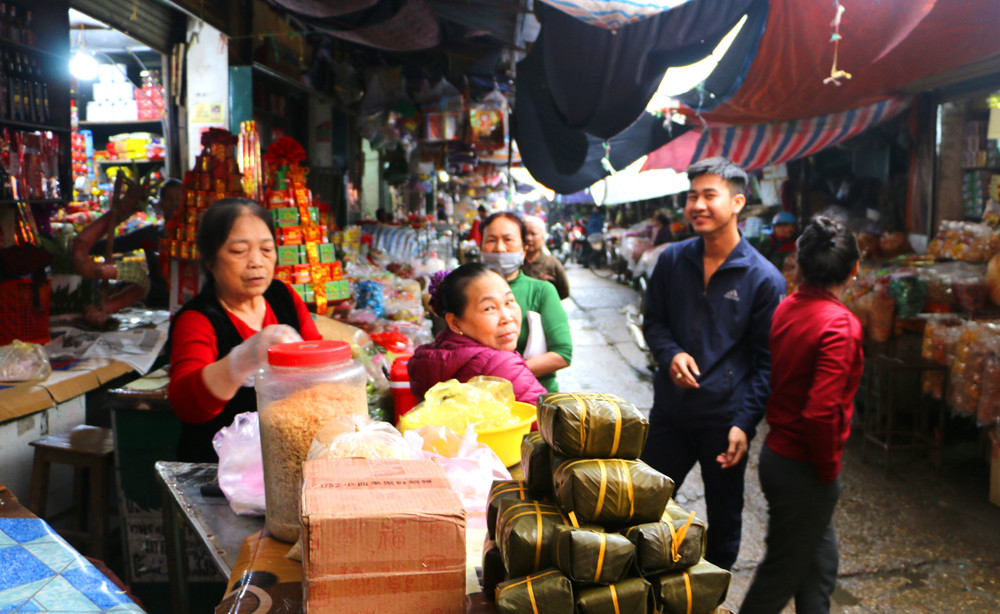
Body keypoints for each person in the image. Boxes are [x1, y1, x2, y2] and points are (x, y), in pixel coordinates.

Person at [641, 157, 785, 571]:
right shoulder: (671, 261)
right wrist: (670, 354)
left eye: (709, 195)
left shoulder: (763, 279)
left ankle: (714, 594)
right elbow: (654, 322)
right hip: (670, 413)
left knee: (723, 522)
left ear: (737, 202)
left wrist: (745, 422)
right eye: (692, 196)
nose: (697, 205)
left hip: (724, 421)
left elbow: (767, 362)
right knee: (641, 506)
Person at [738, 217, 862, 614]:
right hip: (804, 467)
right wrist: (827, 473)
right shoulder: (839, 325)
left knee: (820, 567)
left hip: (780, 456)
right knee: (780, 576)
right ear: (854, 268)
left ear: (800, 263)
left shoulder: (788, 307)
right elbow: (821, 412)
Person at [168, 198, 321, 462]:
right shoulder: (197, 319)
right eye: (239, 251)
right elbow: (185, 403)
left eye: (266, 249)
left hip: (286, 459)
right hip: (221, 471)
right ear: (210, 259)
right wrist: (243, 359)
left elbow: (318, 360)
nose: (256, 262)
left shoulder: (282, 295)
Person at [408, 263, 547, 405]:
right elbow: (551, 421)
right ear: (455, 323)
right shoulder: (501, 365)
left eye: (509, 301)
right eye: (489, 308)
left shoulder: (433, 356)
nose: (507, 317)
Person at [480, 212, 572, 393]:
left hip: (535, 400)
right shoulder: (466, 290)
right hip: (480, 401)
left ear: (523, 249)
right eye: (491, 240)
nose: (499, 248)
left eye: (508, 239)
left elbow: (562, 354)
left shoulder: (542, 291)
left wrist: (502, 375)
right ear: (481, 246)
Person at [75, 177, 183, 323]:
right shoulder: (150, 235)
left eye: (179, 198)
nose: (175, 204)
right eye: (169, 199)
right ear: (161, 203)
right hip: (158, 307)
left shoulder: (198, 236)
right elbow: (107, 246)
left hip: (187, 305)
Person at [521, 215, 570, 300]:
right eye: (525, 234)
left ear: (543, 237)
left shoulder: (552, 263)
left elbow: (564, 292)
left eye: (533, 234)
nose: (528, 238)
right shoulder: (515, 263)